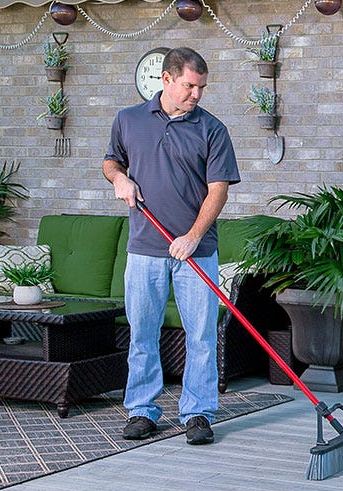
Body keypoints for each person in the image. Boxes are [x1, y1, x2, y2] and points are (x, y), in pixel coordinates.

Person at [103, 47, 240, 445]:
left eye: (201, 87)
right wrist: (119, 179)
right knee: (142, 332)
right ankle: (142, 410)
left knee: (201, 335)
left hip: (196, 252)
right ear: (166, 79)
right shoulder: (129, 120)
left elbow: (218, 191)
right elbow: (111, 161)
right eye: (189, 86)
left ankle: (197, 412)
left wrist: (193, 236)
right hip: (145, 248)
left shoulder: (212, 129)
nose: (196, 94)